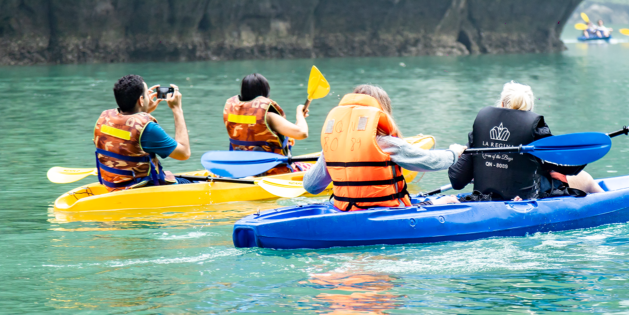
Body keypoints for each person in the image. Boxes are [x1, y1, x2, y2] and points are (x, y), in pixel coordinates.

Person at [302, 84, 463, 211]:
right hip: (388, 213)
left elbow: (311, 186)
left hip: (347, 212)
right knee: (448, 201)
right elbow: (429, 162)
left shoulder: (331, 147)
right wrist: (454, 153)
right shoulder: (387, 143)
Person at [445, 81, 602, 203]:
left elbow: (457, 180)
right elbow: (567, 168)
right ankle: (609, 200)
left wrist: (458, 154)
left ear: (501, 104)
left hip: (486, 197)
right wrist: (583, 154)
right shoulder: (535, 129)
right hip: (526, 197)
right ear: (529, 107)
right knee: (585, 179)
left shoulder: (481, 127)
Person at [94, 74, 191, 190]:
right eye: (146, 95)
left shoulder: (104, 118)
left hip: (113, 185)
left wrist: (143, 111)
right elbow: (184, 153)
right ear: (141, 100)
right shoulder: (148, 128)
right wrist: (177, 109)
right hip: (139, 188)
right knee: (191, 183)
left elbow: (129, 132)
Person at [223, 73, 309, 175]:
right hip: (273, 172)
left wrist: (299, 120)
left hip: (242, 169)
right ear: (265, 92)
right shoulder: (269, 116)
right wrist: (299, 113)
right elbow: (302, 133)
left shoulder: (233, 113)